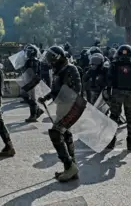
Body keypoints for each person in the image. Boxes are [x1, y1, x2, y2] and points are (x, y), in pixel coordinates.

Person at [38, 45, 81, 182]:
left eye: (51, 58)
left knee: (55, 133)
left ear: (58, 58)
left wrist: (64, 97)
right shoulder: (59, 70)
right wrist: (46, 97)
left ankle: (70, 166)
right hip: (61, 107)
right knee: (66, 134)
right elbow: (56, 89)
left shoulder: (70, 69)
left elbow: (76, 89)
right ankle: (71, 168)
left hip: (69, 108)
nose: (49, 61)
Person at [106, 45, 131, 151]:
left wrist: (109, 93)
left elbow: (109, 80)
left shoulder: (114, 65)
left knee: (114, 117)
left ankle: (111, 142)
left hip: (117, 93)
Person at [22, 45, 44, 122]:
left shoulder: (33, 61)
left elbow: (32, 73)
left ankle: (33, 115)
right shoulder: (30, 61)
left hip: (32, 82)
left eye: (29, 52)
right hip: (30, 82)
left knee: (32, 99)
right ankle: (38, 110)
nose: (27, 53)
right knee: (26, 97)